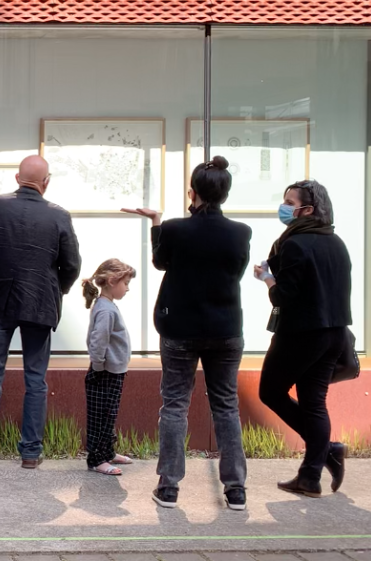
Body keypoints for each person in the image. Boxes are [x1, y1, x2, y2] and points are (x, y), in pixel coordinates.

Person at [123, 155, 251, 512]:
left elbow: (161, 262)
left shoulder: (177, 229)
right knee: (226, 406)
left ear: (191, 192)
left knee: (175, 404)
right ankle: (236, 489)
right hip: (226, 329)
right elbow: (236, 272)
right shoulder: (241, 232)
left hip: (180, 328)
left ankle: (169, 487)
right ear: (225, 193)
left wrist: (157, 223)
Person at [0, 155, 81, 470]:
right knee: (36, 379)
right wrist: (57, 288)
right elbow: (71, 265)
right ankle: (30, 453)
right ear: (47, 182)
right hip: (40, 303)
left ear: (17, 178)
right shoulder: (59, 215)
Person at [256, 180, 352, 497]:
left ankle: (327, 452)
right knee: (314, 403)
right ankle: (311, 475)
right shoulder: (336, 242)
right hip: (334, 334)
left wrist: (268, 278)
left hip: (300, 335)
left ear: (307, 210)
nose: (284, 207)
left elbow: (284, 297)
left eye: (289, 201)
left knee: (270, 392)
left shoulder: (295, 244)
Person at [80, 258, 137, 477]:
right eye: (125, 283)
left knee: (109, 414)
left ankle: (108, 451)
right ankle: (97, 459)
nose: (128, 288)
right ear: (112, 281)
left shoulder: (107, 306)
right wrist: (99, 366)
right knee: (100, 417)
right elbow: (98, 341)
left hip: (113, 371)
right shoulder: (105, 310)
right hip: (104, 373)